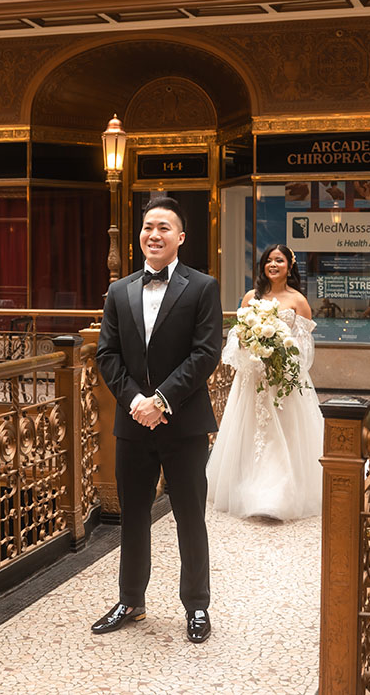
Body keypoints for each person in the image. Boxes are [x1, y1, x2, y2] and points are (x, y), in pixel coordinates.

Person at [93, 197, 223, 644]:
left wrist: (162, 400)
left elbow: (206, 354)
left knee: (190, 516)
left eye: (164, 228)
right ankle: (131, 600)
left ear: (180, 237)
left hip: (183, 423)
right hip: (132, 424)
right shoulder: (119, 290)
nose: (154, 234)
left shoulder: (203, 287)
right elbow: (106, 354)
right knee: (132, 516)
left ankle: (197, 606)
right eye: (149, 227)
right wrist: (136, 401)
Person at [207, 244, 323, 521]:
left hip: (283, 378)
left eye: (279, 260)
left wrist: (283, 358)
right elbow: (236, 336)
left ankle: (279, 495)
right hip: (253, 377)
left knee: (285, 432)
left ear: (289, 266)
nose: (273, 265)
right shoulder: (250, 297)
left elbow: (305, 348)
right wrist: (251, 348)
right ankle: (248, 489)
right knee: (252, 431)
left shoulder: (299, 301)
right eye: (269, 260)